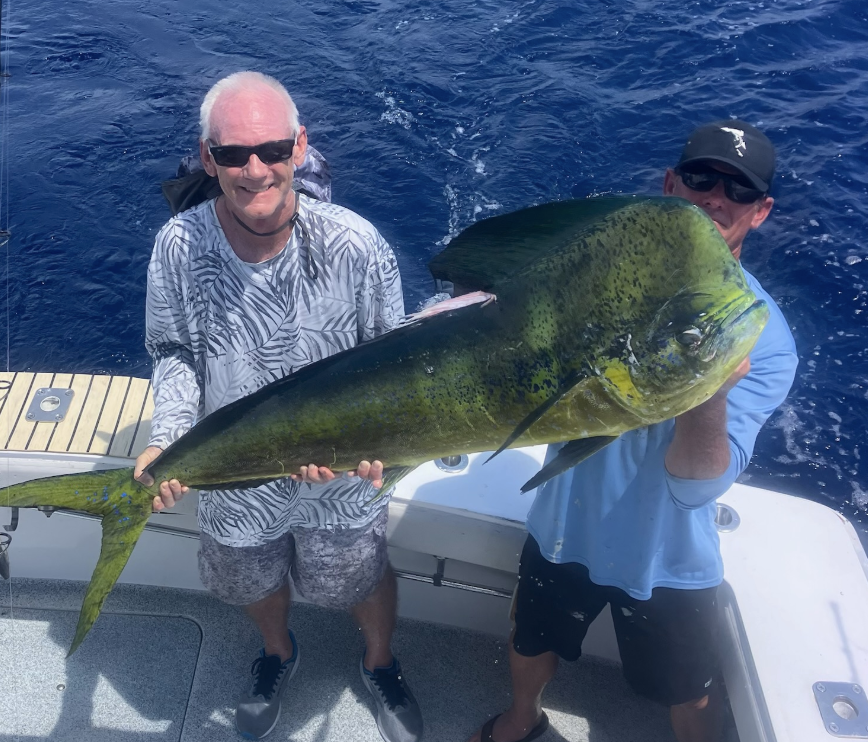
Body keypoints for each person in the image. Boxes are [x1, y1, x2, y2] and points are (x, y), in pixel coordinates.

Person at [467, 120, 798, 742]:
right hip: (562, 522)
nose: (715, 198)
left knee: (687, 690)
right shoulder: (590, 276)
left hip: (667, 556)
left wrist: (710, 394)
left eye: (739, 190)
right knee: (531, 635)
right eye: (701, 178)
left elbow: (698, 489)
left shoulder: (762, 335)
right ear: (671, 184)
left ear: (760, 212)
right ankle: (522, 719)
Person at [133, 71, 423, 742]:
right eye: (233, 154)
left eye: (270, 150)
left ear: (299, 148)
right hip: (236, 475)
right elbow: (174, 350)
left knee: (355, 578)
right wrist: (169, 436)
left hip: (344, 480)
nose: (254, 169)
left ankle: (380, 661)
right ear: (209, 158)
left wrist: (386, 447)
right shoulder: (177, 247)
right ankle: (277, 654)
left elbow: (394, 367)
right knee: (244, 576)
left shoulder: (357, 244)